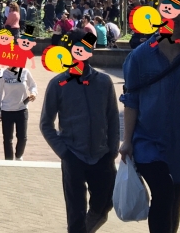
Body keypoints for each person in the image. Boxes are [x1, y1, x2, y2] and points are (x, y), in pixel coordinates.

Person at [40, 36, 120, 233]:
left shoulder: (104, 81)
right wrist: (64, 153)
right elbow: (46, 124)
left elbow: (112, 117)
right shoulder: (57, 84)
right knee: (75, 213)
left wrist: (112, 150)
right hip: (73, 155)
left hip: (102, 155)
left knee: (105, 202)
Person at [120, 11, 180, 233]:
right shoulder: (140, 57)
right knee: (164, 192)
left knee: (175, 198)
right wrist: (127, 140)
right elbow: (131, 100)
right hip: (148, 141)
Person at [0, 66, 38, 160]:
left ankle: (18, 156)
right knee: (8, 139)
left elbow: (33, 85)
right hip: (7, 110)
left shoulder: (25, 72)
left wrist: (33, 93)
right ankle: (8, 161)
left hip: (22, 109)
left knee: (23, 137)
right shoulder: (2, 74)